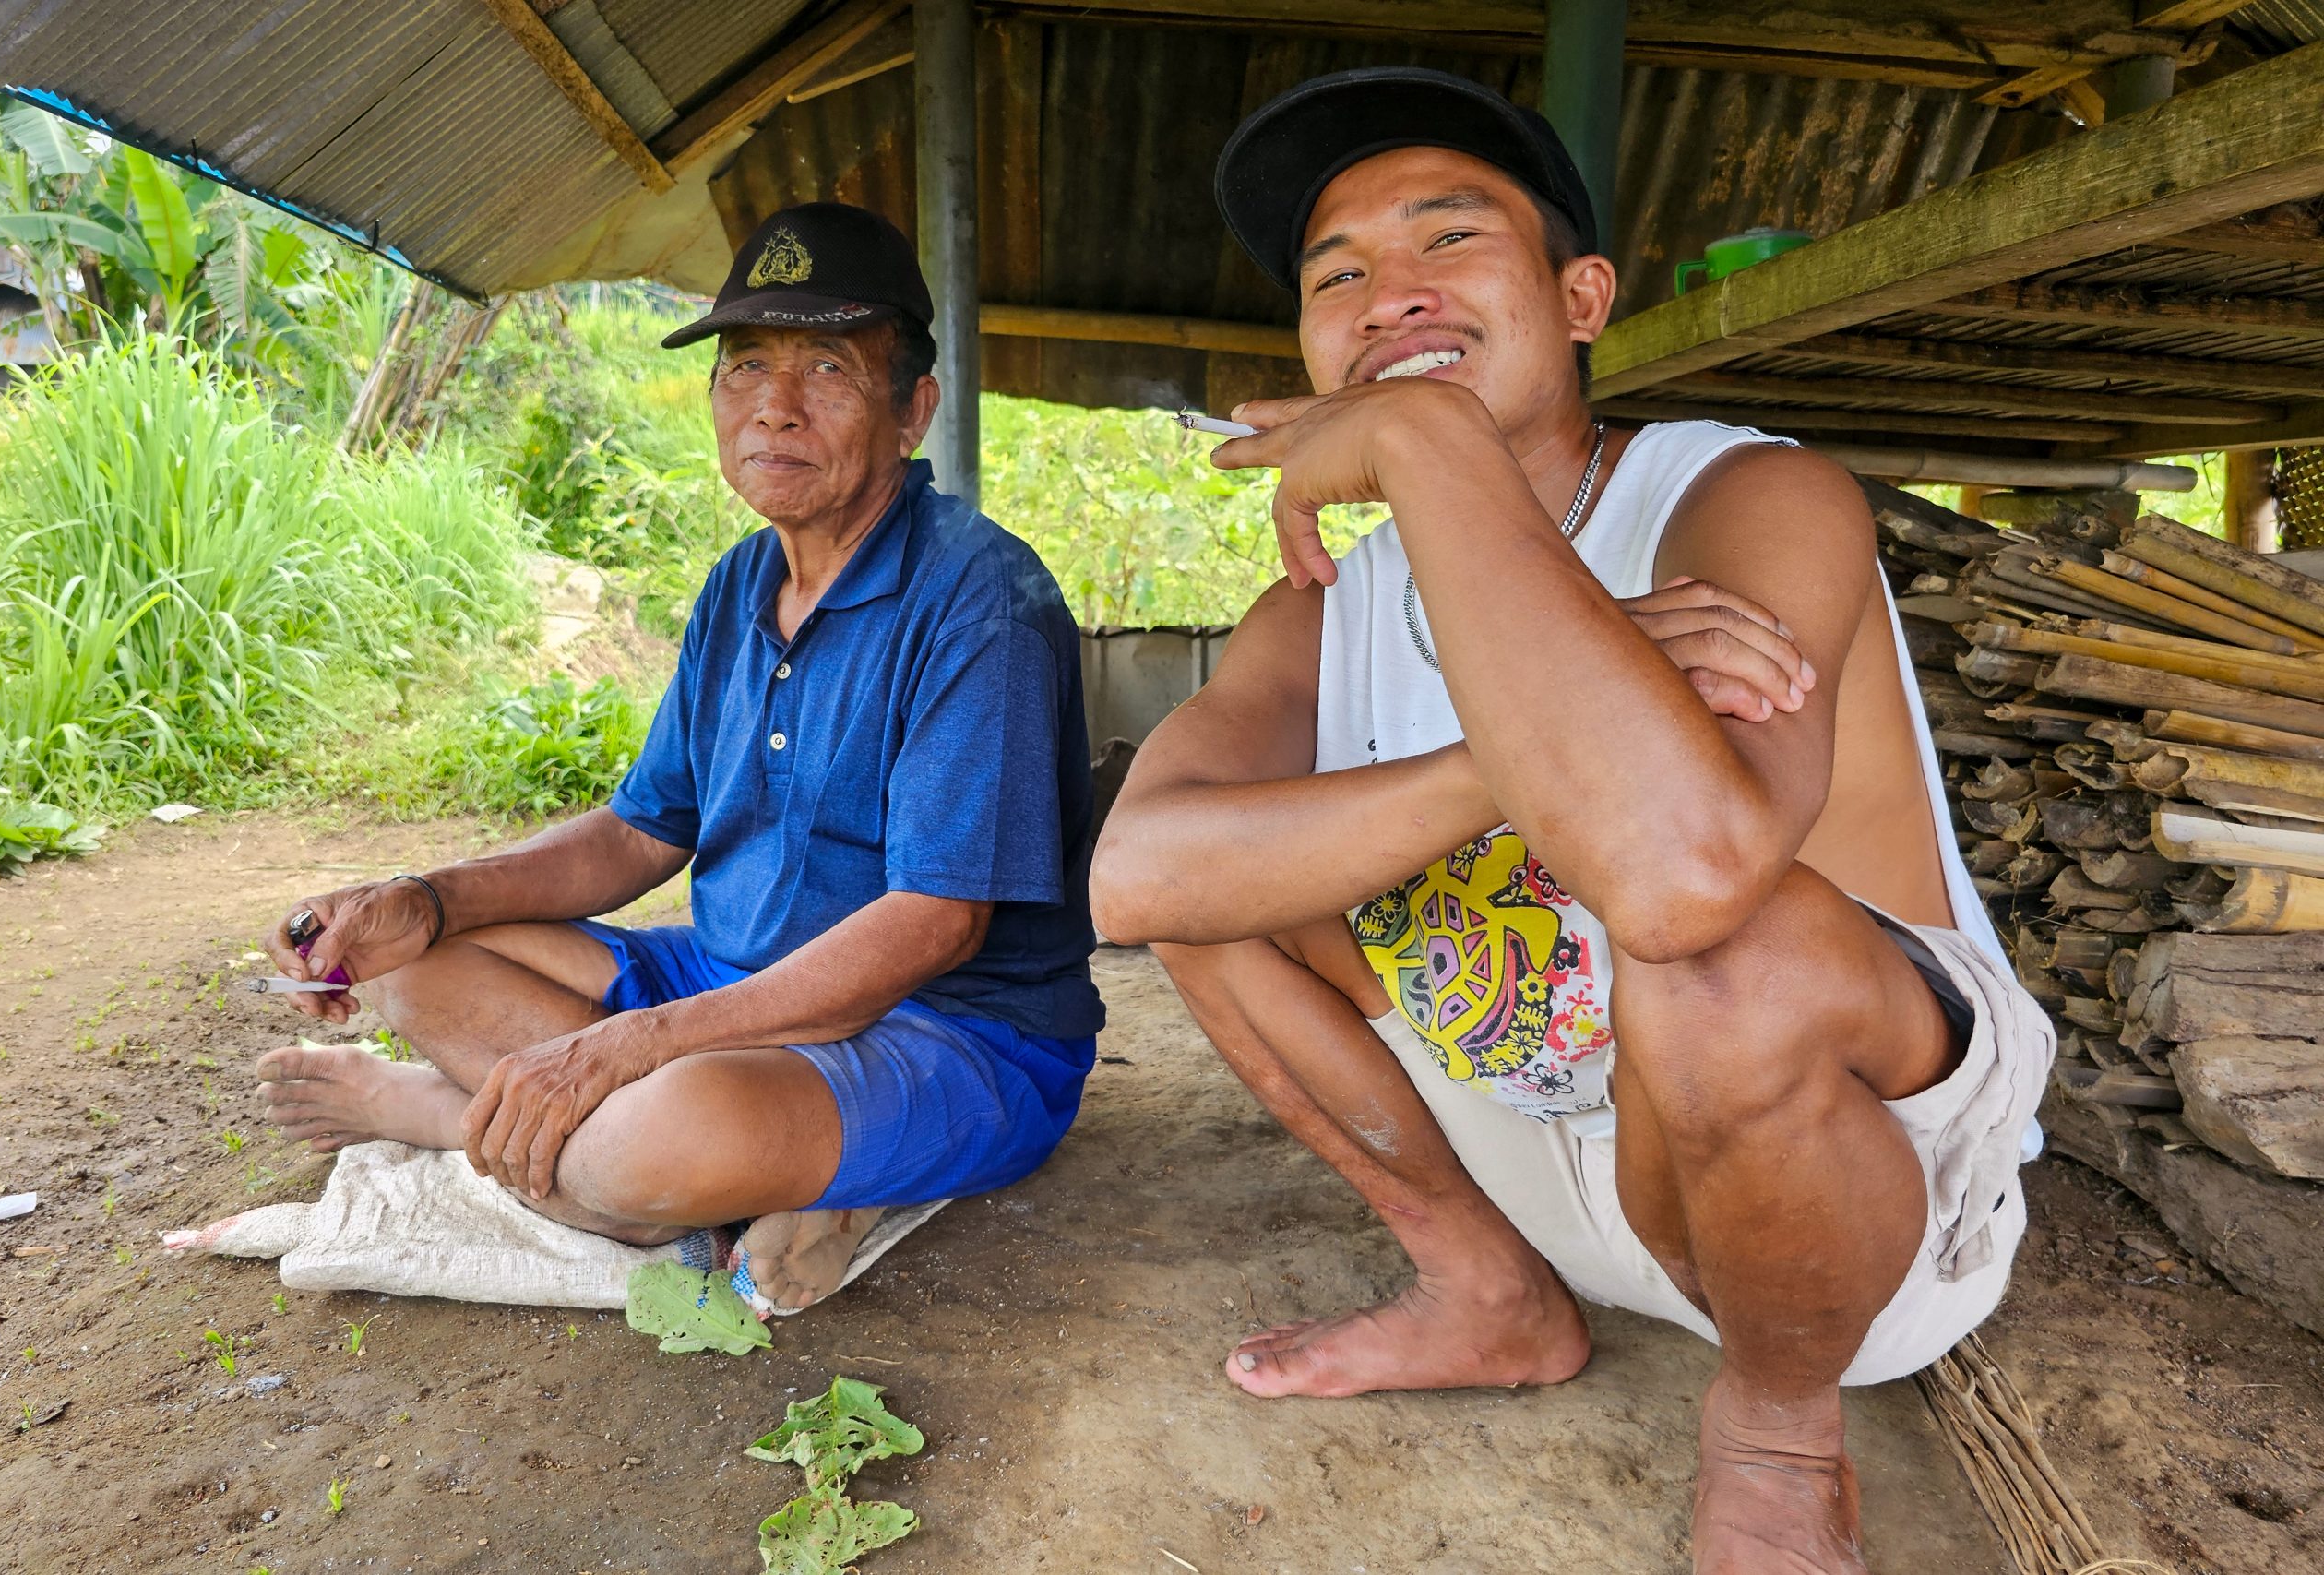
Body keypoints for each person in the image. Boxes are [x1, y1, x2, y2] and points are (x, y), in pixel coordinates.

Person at [1092, 68, 2052, 1575]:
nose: (1386, 296)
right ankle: (1485, 1290)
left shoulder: (1743, 496)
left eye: (1447, 241)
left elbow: (1681, 887)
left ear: (1583, 294)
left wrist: (1422, 442)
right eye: (1337, 275)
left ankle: (1779, 1431)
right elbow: (1136, 878)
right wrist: (1492, 762)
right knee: (1226, 879)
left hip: (1832, 1225)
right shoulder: (1324, 611)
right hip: (1537, 1148)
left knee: (1722, 956)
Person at [254, 202, 1104, 1309]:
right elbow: (639, 831)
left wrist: (627, 1051)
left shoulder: (976, 593)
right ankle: (722, 1157)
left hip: (953, 1032)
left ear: (913, 412)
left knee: (645, 1147)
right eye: (744, 369)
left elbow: (935, 923)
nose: (775, 409)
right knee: (416, 962)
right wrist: (422, 896)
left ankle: (440, 1112)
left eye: (828, 370)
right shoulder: (742, 583)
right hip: (729, 985)